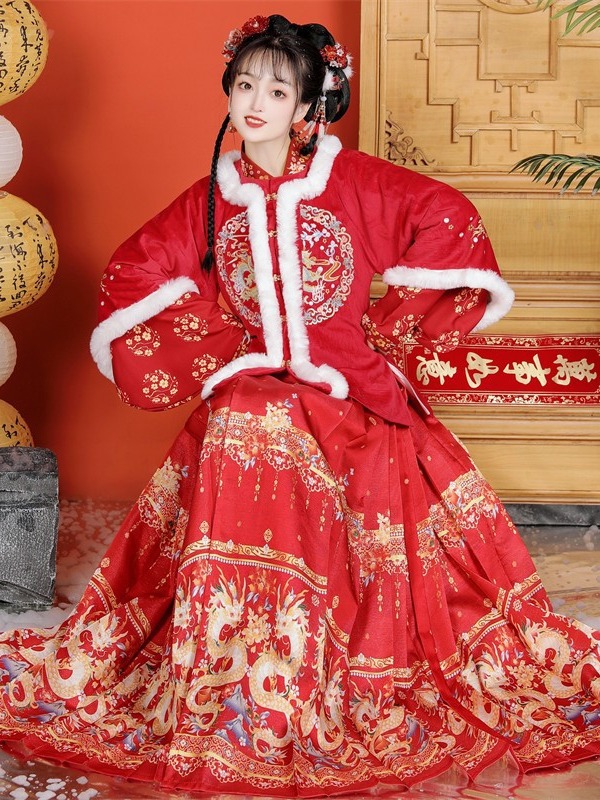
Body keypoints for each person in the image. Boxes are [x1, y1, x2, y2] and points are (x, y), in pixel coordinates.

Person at [1, 12, 600, 797]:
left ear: (310, 104)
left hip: (350, 389)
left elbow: (447, 219)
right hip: (255, 384)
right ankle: (234, 663)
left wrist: (387, 336)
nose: (256, 103)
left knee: (270, 424)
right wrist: (225, 345)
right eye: (246, 85)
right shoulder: (211, 199)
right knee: (244, 419)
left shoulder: (353, 183)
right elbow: (132, 276)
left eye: (278, 91)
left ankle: (317, 653)